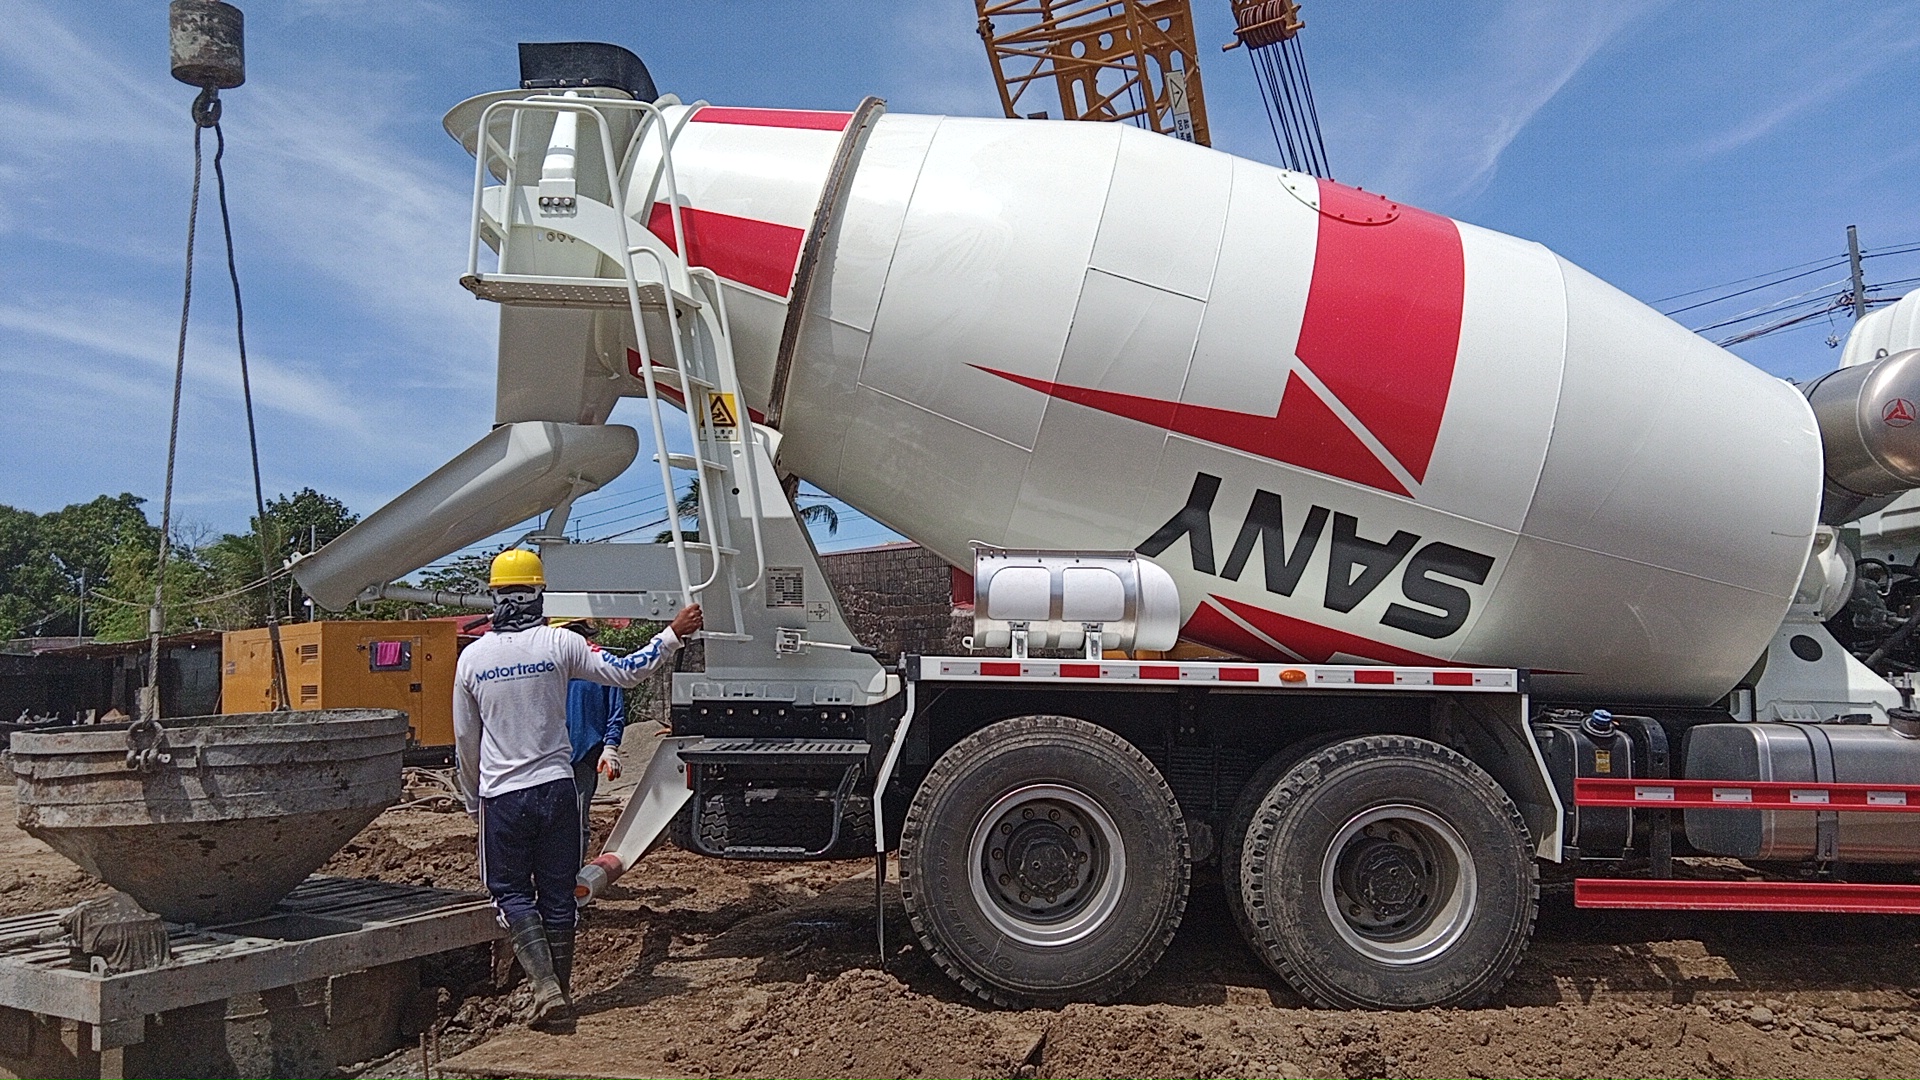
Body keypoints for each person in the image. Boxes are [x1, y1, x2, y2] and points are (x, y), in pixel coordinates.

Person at [454, 549, 701, 1027]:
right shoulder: (561, 645)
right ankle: (559, 997)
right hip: (558, 790)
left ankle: (545, 987)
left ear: (495, 595)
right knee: (558, 894)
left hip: (503, 796)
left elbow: (467, 742)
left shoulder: (472, 660)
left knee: (508, 891)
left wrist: (471, 799)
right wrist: (672, 634)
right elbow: (628, 671)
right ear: (539, 594)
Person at [555, 618, 627, 860]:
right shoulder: (547, 665)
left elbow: (615, 711)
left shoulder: (602, 663)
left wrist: (610, 746)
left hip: (584, 754)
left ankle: (569, 879)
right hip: (547, 757)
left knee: (576, 821)